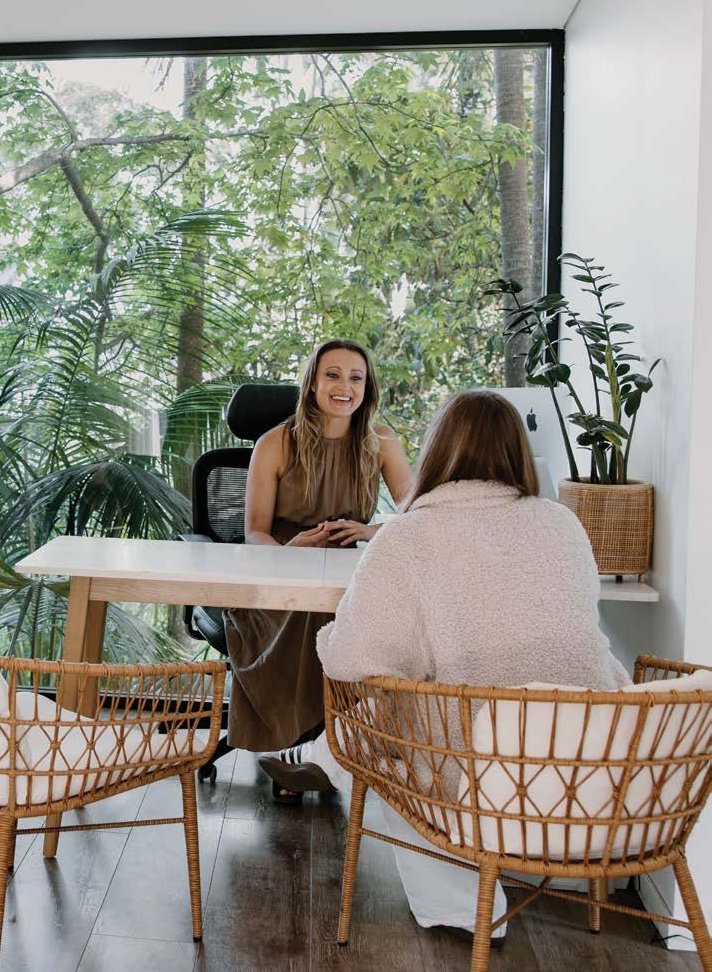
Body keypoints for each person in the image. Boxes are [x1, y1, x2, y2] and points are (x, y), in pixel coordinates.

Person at [260, 389, 631, 940]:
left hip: (480, 774)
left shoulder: (410, 534)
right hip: (600, 761)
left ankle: (461, 906)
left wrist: (339, 635)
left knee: (372, 726)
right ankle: (322, 757)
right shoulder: (563, 524)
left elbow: (351, 659)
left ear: (437, 450)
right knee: (414, 707)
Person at [223, 339, 412, 782]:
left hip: (347, 572)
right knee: (323, 614)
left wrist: (369, 531)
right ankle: (310, 748)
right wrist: (289, 553)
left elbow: (418, 515)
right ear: (312, 384)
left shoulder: (382, 441)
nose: (345, 386)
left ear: (367, 387)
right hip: (280, 572)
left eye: (356, 377)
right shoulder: (276, 443)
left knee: (368, 613)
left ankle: (330, 749)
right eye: (333, 375)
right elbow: (255, 533)